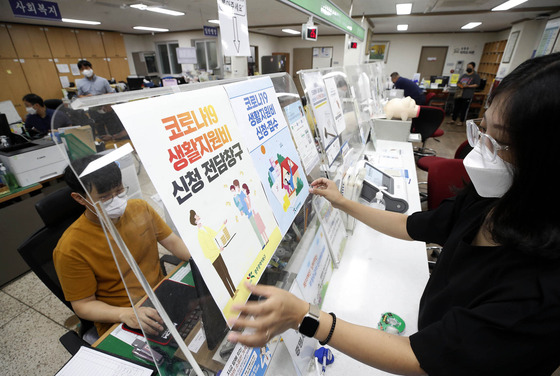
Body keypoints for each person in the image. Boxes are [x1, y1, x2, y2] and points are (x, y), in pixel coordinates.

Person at [227, 53, 560, 375]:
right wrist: (344, 203)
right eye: (481, 130)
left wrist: (305, 316)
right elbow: (412, 225)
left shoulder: (541, 294)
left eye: (498, 140)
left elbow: (423, 359)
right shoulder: (492, 199)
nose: (479, 149)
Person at [53, 154, 192, 338]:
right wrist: (125, 313)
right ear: (80, 199)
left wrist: (200, 261)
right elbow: (83, 305)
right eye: (104, 197)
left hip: (162, 294)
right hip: (122, 317)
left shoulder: (140, 208)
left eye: (119, 191)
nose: (116, 201)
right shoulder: (70, 248)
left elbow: (172, 241)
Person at [190, 210, 236, 298]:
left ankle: (234, 290)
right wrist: (218, 250)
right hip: (213, 257)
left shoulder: (205, 228)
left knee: (226, 271)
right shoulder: (200, 235)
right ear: (195, 221)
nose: (199, 217)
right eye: (197, 217)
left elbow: (215, 234)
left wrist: (223, 225)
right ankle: (231, 294)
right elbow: (206, 253)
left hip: (218, 253)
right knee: (223, 276)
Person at [449, 61, 481, 125]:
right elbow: (458, 82)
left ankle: (461, 121)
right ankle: (453, 119)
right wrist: (459, 85)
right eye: (467, 67)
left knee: (464, 109)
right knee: (456, 107)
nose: (468, 68)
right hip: (459, 94)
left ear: (473, 68)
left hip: (467, 94)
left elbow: (477, 84)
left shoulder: (475, 76)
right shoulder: (464, 75)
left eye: (470, 67)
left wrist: (468, 86)